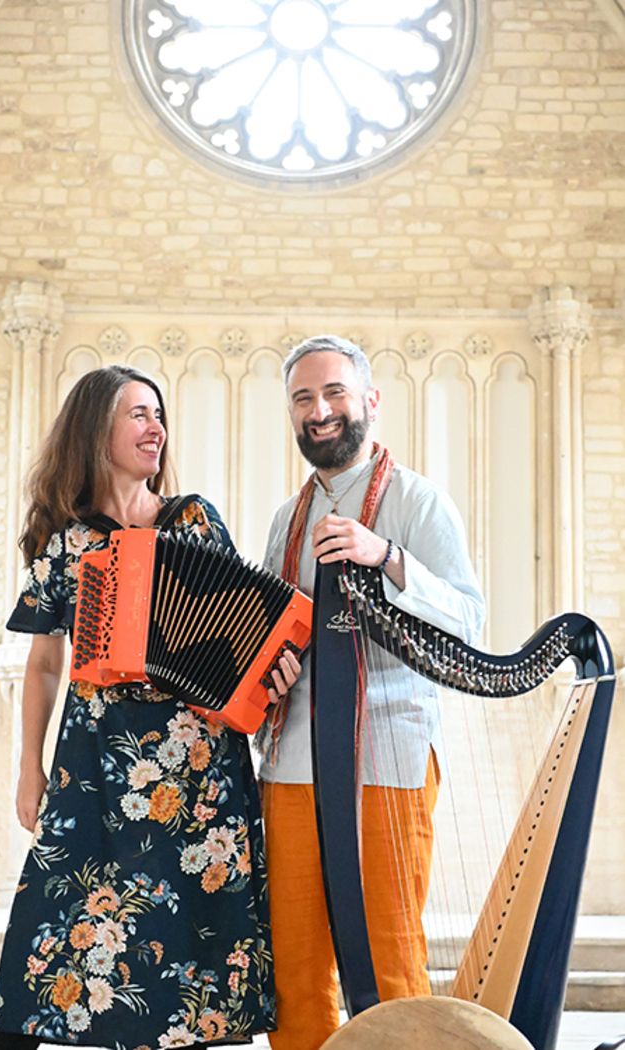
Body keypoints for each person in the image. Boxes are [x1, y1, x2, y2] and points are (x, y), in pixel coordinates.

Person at [0, 364, 277, 1049]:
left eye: (157, 414)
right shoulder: (67, 539)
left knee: (186, 950)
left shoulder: (195, 520)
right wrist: (29, 768)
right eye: (137, 415)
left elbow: (244, 629)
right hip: (95, 763)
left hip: (197, 770)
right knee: (49, 920)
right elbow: (43, 662)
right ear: (97, 431)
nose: (155, 429)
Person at [256, 335, 485, 1050]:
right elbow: (273, 635)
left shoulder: (419, 503)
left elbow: (471, 621)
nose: (319, 411)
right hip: (293, 760)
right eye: (303, 399)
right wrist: (274, 668)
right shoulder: (284, 521)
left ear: (370, 403)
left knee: (389, 959)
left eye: (334, 394)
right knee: (295, 969)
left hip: (389, 756)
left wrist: (384, 555)